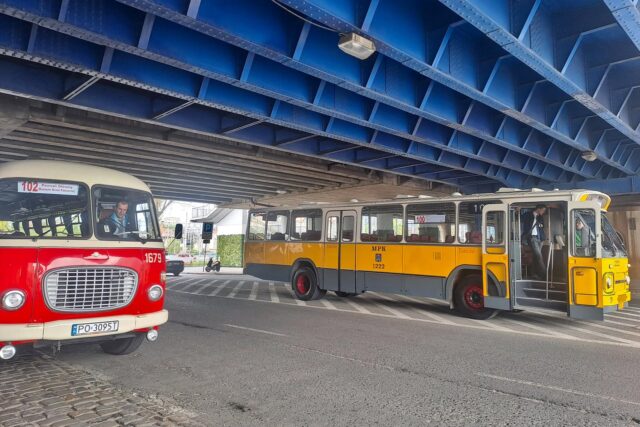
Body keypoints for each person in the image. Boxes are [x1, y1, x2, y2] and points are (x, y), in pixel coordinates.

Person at [521, 204, 547, 280]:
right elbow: (521, 219)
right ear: (539, 209)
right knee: (539, 256)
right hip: (532, 238)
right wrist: (517, 212)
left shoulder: (540, 217)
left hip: (540, 238)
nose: (543, 212)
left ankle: (533, 273)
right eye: (543, 210)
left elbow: (542, 227)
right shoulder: (528, 214)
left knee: (536, 257)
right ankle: (545, 275)